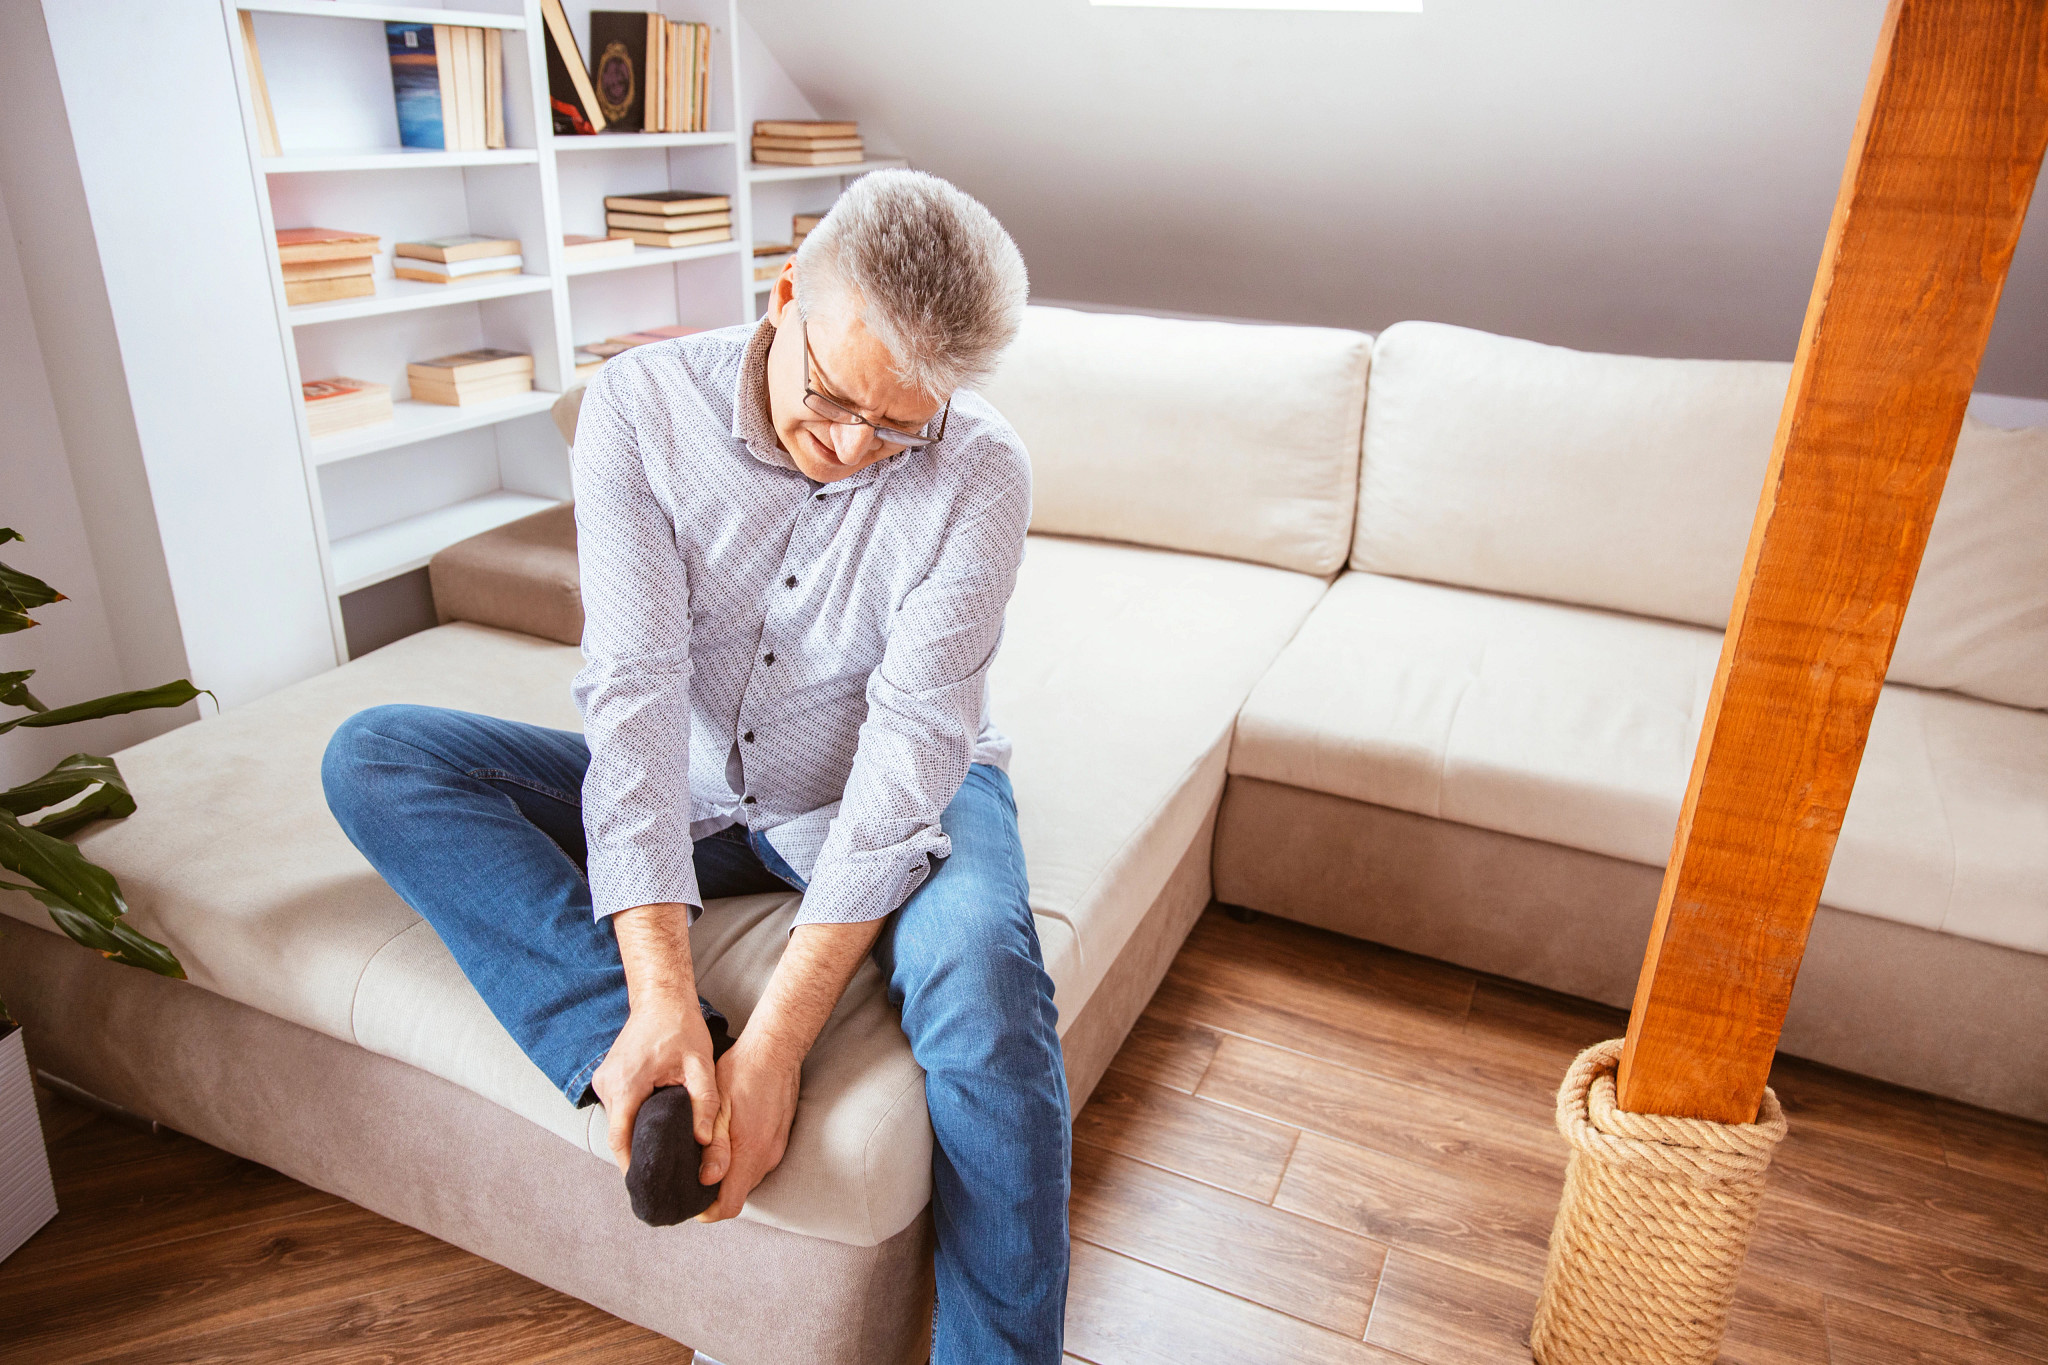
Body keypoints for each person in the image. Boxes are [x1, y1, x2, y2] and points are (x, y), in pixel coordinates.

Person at [320, 170, 1067, 1362]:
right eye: (833, 399)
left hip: (891, 786)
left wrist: (773, 1048)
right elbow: (633, 695)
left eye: (897, 425)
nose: (851, 448)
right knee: (380, 758)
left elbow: (906, 749)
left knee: (981, 976)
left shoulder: (980, 470)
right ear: (783, 299)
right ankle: (646, 1056)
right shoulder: (638, 407)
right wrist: (668, 993)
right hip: (707, 787)